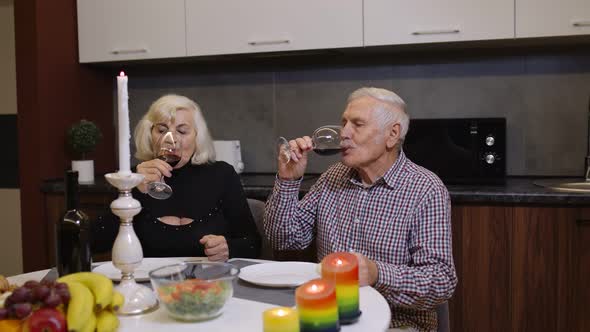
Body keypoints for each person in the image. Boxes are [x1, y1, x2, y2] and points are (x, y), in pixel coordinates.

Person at [264, 87, 457, 332]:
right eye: (343, 123)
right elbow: (284, 239)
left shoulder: (425, 189)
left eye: (357, 124)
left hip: (397, 323)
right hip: (330, 317)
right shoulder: (333, 176)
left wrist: (377, 274)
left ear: (392, 135)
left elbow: (440, 283)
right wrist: (288, 180)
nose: (343, 133)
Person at [94, 94, 261, 261]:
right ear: (150, 134)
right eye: (162, 130)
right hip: (148, 281)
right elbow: (97, 242)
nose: (171, 140)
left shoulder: (222, 175)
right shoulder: (132, 178)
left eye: (182, 131)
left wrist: (228, 248)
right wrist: (132, 191)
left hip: (208, 282)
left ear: (197, 136)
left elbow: (253, 244)